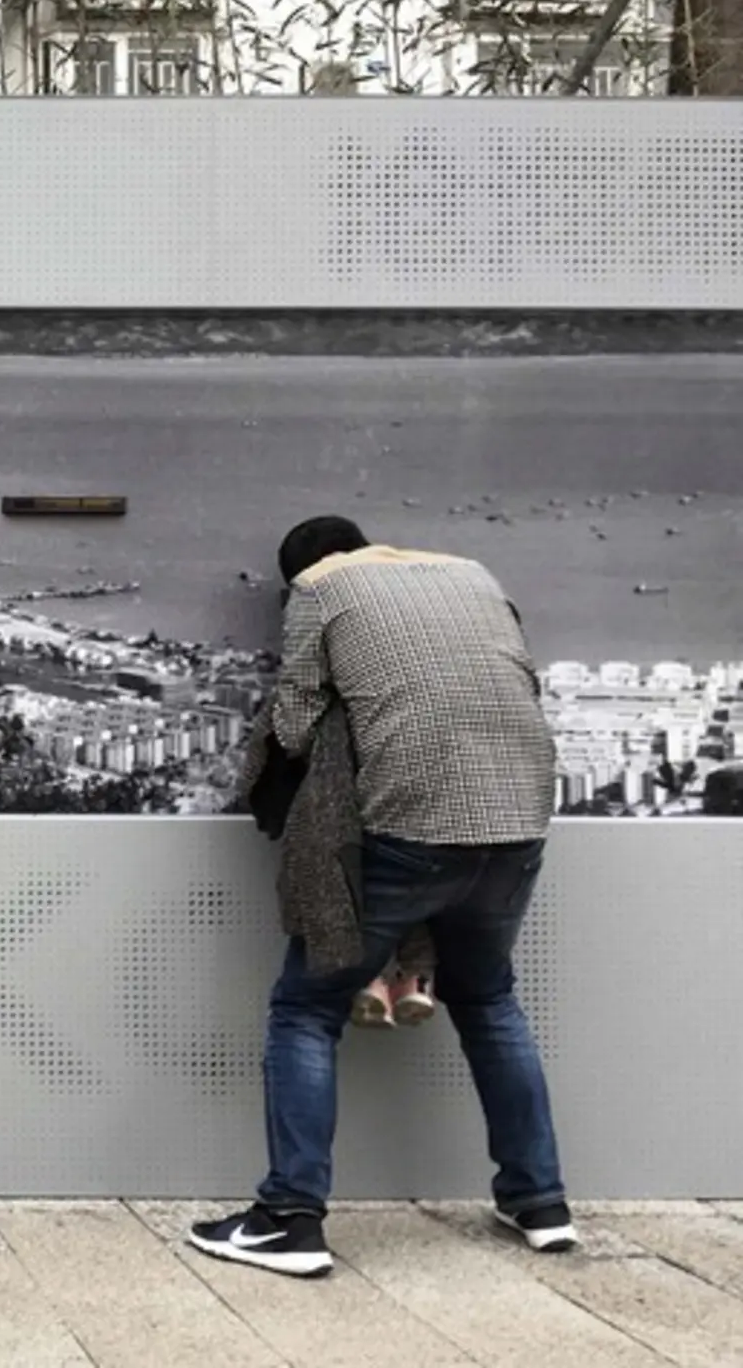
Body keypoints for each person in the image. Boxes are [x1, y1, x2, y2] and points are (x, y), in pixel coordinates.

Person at [191, 516, 571, 1280]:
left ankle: (288, 1217)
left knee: (306, 1010)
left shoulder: (319, 588)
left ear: (298, 570)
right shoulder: (471, 572)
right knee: (489, 1001)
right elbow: (521, 681)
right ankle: (540, 1201)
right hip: (520, 824)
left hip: (411, 830)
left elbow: (294, 722)